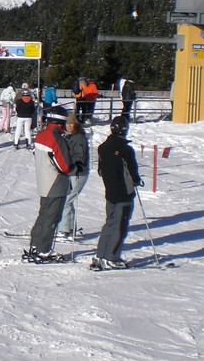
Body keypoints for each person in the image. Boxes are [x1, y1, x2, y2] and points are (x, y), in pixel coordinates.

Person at [91, 115, 143, 271]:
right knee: (120, 225)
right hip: (123, 193)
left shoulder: (103, 147)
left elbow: (100, 170)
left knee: (110, 222)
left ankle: (101, 254)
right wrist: (135, 181)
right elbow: (133, 173)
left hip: (110, 192)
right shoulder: (126, 149)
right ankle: (111, 257)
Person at [26, 105, 74, 261]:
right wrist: (74, 166)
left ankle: (35, 244)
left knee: (43, 215)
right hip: (55, 184)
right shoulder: (56, 138)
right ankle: (43, 249)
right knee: (51, 218)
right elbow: (65, 166)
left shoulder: (41, 135)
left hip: (43, 182)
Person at [56, 113, 90, 240]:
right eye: (67, 124)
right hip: (71, 173)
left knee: (66, 201)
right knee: (68, 200)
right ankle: (70, 227)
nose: (69, 126)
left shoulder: (78, 138)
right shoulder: (69, 136)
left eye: (71, 124)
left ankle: (64, 230)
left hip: (78, 174)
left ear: (76, 125)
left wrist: (74, 165)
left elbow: (80, 156)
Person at [12, 85, 37, 150]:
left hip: (20, 117)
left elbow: (17, 109)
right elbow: (33, 110)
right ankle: (28, 143)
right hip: (28, 117)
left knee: (18, 130)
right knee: (27, 130)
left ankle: (16, 143)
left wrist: (19, 113)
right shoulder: (31, 101)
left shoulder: (19, 101)